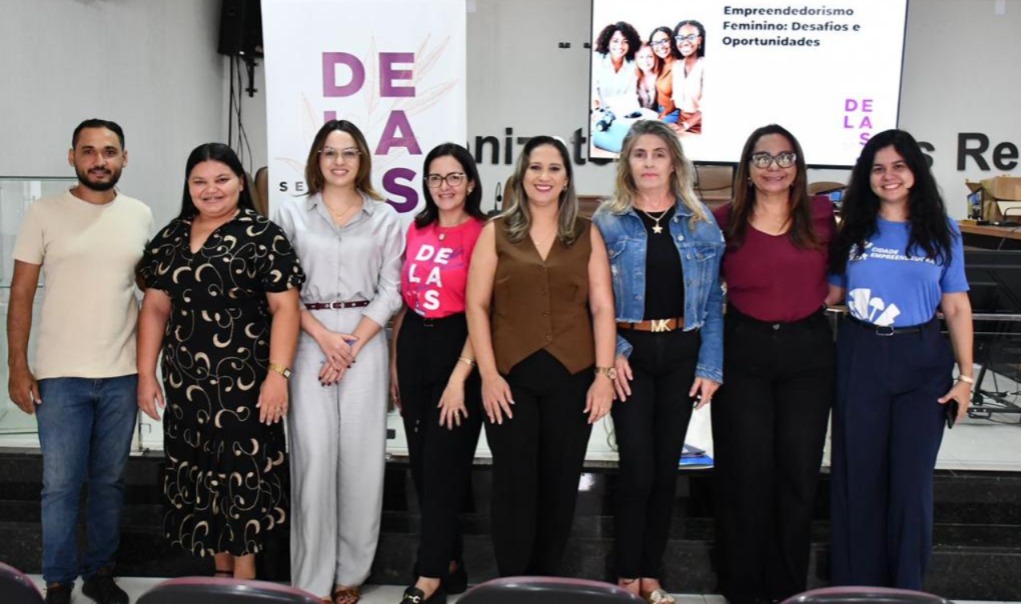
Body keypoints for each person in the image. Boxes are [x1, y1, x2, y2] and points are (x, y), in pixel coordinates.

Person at [136, 142, 303, 581]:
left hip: (246, 388)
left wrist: (278, 376)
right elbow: (155, 308)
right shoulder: (171, 236)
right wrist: (145, 375)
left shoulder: (262, 234)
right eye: (200, 182)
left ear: (240, 182)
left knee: (241, 481)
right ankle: (221, 577)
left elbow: (286, 309)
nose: (211, 190)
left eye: (222, 179)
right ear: (188, 187)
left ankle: (244, 582)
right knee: (201, 482)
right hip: (187, 388)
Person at [6, 119, 152, 604]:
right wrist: (17, 367)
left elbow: (151, 298)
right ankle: (58, 581)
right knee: (60, 485)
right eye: (88, 151)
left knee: (109, 482)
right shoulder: (44, 213)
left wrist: (150, 370)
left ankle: (100, 573)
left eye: (109, 151)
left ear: (124, 159)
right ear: (72, 157)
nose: (99, 160)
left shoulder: (140, 215)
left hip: (121, 374)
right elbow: (22, 295)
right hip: (60, 377)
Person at [828, 129, 973, 589]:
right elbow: (831, 293)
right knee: (859, 478)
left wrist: (966, 377)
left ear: (915, 171)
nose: (888, 176)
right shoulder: (850, 228)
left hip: (922, 360)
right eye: (877, 168)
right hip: (860, 354)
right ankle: (855, 588)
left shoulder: (941, 230)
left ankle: (906, 589)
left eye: (898, 166)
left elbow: (956, 305)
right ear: (865, 177)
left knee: (911, 485)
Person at [465, 136, 616, 577]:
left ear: (567, 178)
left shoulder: (587, 233)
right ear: (521, 175)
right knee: (513, 486)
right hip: (509, 379)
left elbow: (602, 306)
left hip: (571, 377)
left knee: (559, 484)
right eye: (535, 167)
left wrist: (603, 375)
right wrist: (488, 376)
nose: (544, 176)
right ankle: (513, 581)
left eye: (554, 168)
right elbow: (477, 306)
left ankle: (547, 578)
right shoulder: (495, 231)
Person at [592, 120, 724, 604]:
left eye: (658, 154)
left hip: (682, 353)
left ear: (674, 163)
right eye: (640, 154)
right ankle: (626, 576)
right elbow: (593, 298)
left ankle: (652, 575)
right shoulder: (607, 221)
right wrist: (614, 354)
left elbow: (712, 303)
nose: (649, 163)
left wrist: (710, 367)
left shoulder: (700, 222)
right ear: (627, 162)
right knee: (638, 468)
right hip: (631, 353)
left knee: (666, 470)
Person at [273, 119, 404, 604]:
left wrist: (350, 343)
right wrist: (326, 338)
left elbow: (393, 287)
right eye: (330, 152)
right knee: (313, 459)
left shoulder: (386, 217)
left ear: (362, 159)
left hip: (365, 343)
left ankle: (351, 574)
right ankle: (311, 581)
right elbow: (281, 287)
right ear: (317, 159)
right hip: (307, 339)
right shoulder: (291, 214)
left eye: (348, 152)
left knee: (362, 461)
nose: (339, 161)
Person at [710, 125, 838, 604]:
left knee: (798, 473)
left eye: (785, 158)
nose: (774, 167)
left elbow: (841, 279)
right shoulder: (724, 221)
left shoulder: (822, 217)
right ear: (747, 168)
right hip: (744, 350)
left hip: (807, 354)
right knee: (745, 472)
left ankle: (787, 589)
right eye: (762, 158)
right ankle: (741, 586)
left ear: (799, 166)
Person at [390, 143, 487, 603]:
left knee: (446, 465)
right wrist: (395, 363)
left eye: (453, 177)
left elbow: (485, 311)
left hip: (460, 347)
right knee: (423, 467)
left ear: (470, 182)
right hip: (414, 347)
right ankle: (448, 561)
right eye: (434, 178)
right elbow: (404, 303)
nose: (444, 186)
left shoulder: (484, 233)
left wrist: (460, 377)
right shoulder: (415, 228)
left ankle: (428, 574)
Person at [591, 21, 643, 153]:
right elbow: (592, 93)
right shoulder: (596, 60)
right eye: (615, 41)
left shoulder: (632, 65)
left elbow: (630, 96)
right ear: (608, 42)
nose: (620, 45)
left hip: (620, 116)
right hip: (595, 117)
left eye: (625, 41)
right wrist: (597, 112)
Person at [670, 20, 705, 134]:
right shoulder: (677, 65)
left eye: (691, 37)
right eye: (680, 38)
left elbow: (708, 106)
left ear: (699, 40)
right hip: (680, 123)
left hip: (702, 126)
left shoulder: (706, 65)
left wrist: (685, 125)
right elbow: (676, 102)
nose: (685, 42)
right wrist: (660, 118)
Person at [648, 26, 679, 123]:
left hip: (672, 113)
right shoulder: (659, 62)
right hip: (658, 110)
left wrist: (662, 115)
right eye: (656, 43)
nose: (660, 46)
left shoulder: (678, 65)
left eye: (664, 41)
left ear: (672, 41)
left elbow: (677, 99)